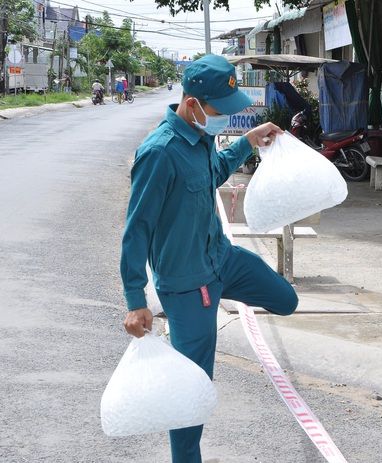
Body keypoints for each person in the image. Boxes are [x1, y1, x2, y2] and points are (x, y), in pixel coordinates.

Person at [120, 54, 297, 463]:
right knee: (192, 389)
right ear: (192, 102)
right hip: (186, 285)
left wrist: (249, 140)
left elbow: (214, 171)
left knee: (286, 300)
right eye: (220, 110)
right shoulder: (159, 153)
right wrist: (135, 300)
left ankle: (222, 301)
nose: (223, 118)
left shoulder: (200, 139)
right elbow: (136, 230)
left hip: (223, 260)